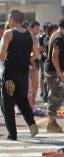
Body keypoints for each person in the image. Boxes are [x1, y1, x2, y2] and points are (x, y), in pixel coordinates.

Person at [0, 10, 39, 140]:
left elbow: (2, 54)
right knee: (22, 99)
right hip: (23, 73)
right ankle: (32, 123)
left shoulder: (9, 33)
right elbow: (37, 54)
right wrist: (27, 57)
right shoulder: (29, 34)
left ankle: (12, 133)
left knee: (8, 101)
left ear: (12, 19)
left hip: (10, 74)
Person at [44, 14, 64, 133]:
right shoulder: (59, 38)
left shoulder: (55, 35)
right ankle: (51, 122)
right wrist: (59, 72)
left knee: (57, 94)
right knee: (57, 94)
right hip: (53, 71)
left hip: (51, 70)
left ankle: (52, 121)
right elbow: (54, 55)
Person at [26, 20, 44, 116]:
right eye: (36, 28)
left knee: (34, 86)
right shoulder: (29, 37)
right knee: (32, 87)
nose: (37, 30)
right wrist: (33, 64)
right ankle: (31, 106)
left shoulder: (34, 37)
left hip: (35, 63)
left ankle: (32, 105)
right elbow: (30, 53)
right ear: (31, 28)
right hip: (31, 65)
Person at [37, 22, 55, 103]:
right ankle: (43, 95)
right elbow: (41, 48)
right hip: (44, 59)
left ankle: (48, 96)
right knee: (43, 77)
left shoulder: (53, 37)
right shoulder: (43, 37)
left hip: (50, 60)